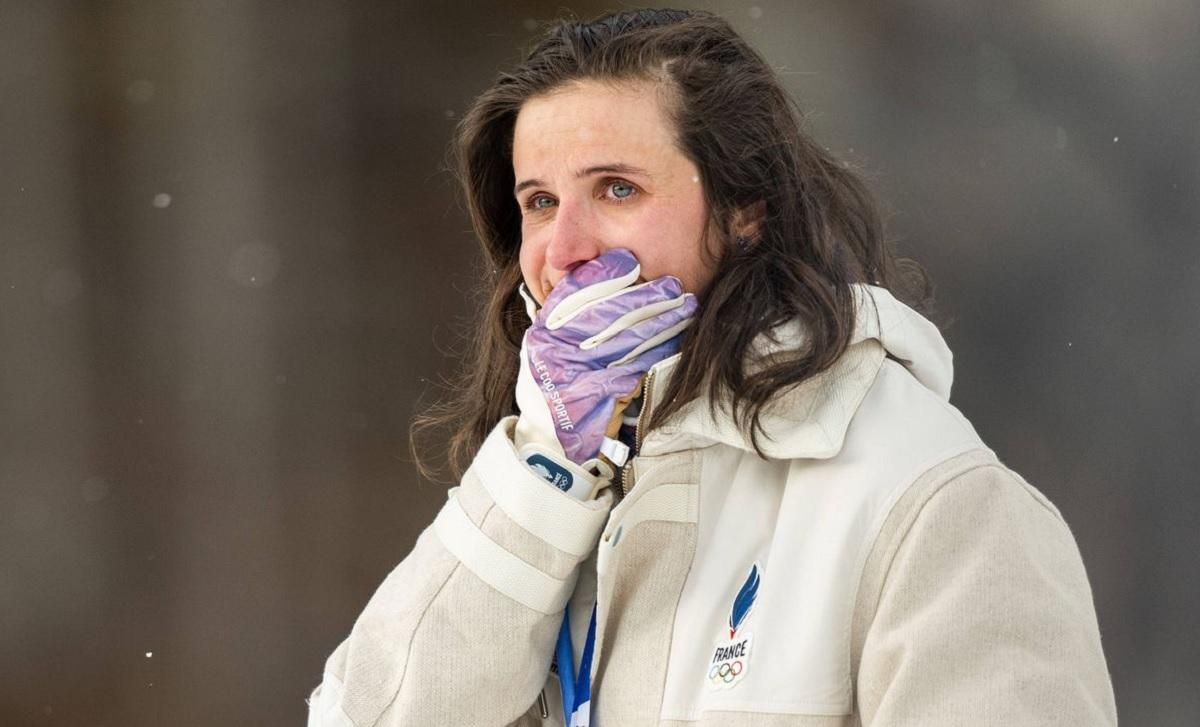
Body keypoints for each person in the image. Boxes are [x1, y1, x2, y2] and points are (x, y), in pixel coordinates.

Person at [307, 9, 1117, 726]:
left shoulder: (936, 505)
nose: (563, 250)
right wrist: (545, 470)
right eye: (540, 202)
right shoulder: (553, 484)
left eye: (617, 189)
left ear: (744, 211)